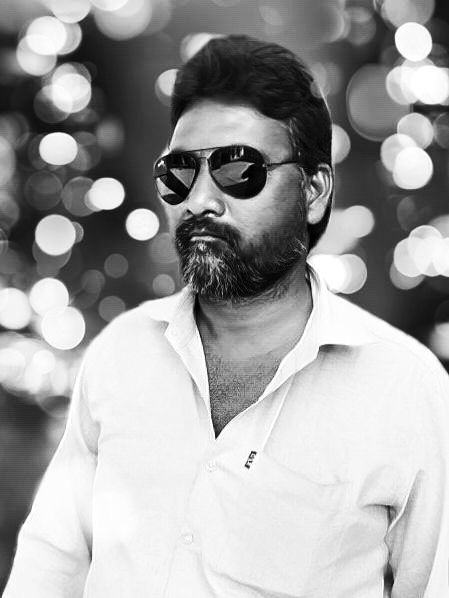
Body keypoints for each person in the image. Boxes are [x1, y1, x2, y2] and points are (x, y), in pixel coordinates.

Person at [3, 34, 449, 598]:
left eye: (239, 170)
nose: (199, 201)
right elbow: (53, 563)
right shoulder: (121, 352)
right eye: (178, 173)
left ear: (314, 191)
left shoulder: (405, 389)